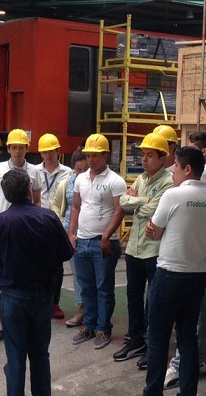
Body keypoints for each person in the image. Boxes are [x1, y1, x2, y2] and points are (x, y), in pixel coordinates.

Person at [125, 146, 206, 396]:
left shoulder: (173, 195)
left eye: (175, 167)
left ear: (187, 169)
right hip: (197, 275)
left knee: (157, 338)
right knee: (187, 339)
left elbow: (153, 229)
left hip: (170, 274)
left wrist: (159, 230)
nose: (173, 172)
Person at [0, 169, 73, 396]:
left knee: (16, 360)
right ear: (29, 191)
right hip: (43, 297)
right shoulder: (48, 217)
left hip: (14, 297)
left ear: (7, 195)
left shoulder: (1, 221)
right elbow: (65, 253)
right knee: (40, 356)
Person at [164, 131, 206, 387]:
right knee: (199, 304)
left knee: (192, 308)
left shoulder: (204, 175)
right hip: (204, 248)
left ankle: (184, 362)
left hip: (197, 252)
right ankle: (197, 357)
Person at [0, 128, 42, 352]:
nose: (17, 151)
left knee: (22, 278)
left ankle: (16, 324)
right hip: (3, 232)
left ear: (27, 148)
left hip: (24, 234)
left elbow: (37, 201)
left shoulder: (34, 171)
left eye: (21, 147)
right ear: (8, 148)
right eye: (14, 147)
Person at [115, 132, 173, 362]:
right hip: (134, 249)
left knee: (155, 300)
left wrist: (136, 201)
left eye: (150, 155)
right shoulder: (141, 179)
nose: (144, 159)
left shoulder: (168, 183)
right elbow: (123, 202)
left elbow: (154, 211)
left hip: (154, 250)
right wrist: (142, 201)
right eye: (143, 154)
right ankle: (136, 340)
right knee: (133, 297)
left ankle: (152, 346)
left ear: (163, 158)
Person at [68, 133, 127, 349]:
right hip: (82, 241)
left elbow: (120, 210)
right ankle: (89, 326)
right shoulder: (80, 179)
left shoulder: (115, 181)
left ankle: (103, 328)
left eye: (95, 155)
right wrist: (72, 234)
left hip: (104, 243)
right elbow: (76, 207)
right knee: (86, 287)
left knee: (104, 288)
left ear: (105, 155)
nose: (90, 159)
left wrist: (106, 236)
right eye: (88, 155)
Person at [35, 133, 72, 320]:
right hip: (37, 224)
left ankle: (54, 302)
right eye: (44, 152)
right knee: (37, 264)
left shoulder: (68, 173)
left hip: (57, 225)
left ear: (58, 151)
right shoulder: (34, 171)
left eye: (51, 151)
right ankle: (38, 299)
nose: (48, 155)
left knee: (57, 266)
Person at [51, 150, 87, 327]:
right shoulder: (66, 184)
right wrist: (62, 225)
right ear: (73, 169)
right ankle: (81, 309)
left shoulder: (94, 183)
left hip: (89, 233)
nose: (82, 173)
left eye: (85, 169)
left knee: (93, 276)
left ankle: (94, 312)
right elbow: (56, 205)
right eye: (79, 170)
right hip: (70, 235)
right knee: (78, 273)